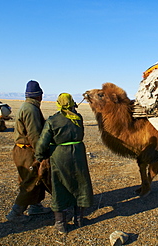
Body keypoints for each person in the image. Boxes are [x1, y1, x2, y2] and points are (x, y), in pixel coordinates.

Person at [35, 93, 93, 233]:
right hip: (78, 155)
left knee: (60, 186)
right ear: (72, 103)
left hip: (60, 156)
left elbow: (42, 143)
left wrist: (40, 156)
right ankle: (79, 219)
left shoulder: (52, 121)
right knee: (80, 184)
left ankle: (61, 224)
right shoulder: (78, 118)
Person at [6, 80, 51, 222]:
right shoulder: (31, 110)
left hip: (23, 150)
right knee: (31, 179)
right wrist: (41, 154)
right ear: (39, 96)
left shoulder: (28, 106)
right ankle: (15, 213)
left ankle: (35, 207)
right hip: (28, 151)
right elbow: (34, 135)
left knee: (36, 178)